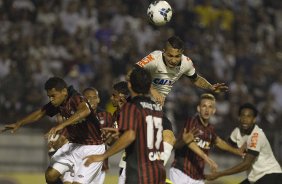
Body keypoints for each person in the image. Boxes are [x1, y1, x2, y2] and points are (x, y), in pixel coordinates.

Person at [84, 67, 181, 184]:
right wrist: (120, 133)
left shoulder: (132, 107)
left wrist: (103, 156)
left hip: (138, 169)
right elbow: (144, 132)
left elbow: (131, 135)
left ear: (130, 85)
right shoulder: (155, 108)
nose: (111, 98)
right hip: (155, 169)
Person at [2, 77, 105, 184]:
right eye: (49, 96)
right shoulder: (59, 102)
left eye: (53, 96)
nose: (51, 99)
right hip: (74, 145)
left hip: (92, 148)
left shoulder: (76, 98)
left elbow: (85, 110)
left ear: (64, 91)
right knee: (50, 176)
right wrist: (19, 123)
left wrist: (61, 125)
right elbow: (41, 112)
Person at [170, 93, 244, 184]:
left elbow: (219, 141)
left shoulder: (210, 129)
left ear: (214, 111)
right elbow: (190, 142)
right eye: (204, 106)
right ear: (198, 108)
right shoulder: (192, 121)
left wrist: (236, 151)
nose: (207, 110)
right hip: (181, 172)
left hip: (198, 177)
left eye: (210, 107)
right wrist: (207, 159)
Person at [134, 35, 228, 105]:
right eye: (170, 56)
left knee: (168, 132)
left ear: (182, 53)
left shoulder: (186, 63)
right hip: (139, 101)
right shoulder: (154, 58)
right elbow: (133, 73)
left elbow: (195, 79)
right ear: (164, 52)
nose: (173, 60)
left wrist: (210, 87)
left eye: (177, 56)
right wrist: (152, 90)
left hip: (157, 107)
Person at [205, 103, 282, 184]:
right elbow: (225, 145)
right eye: (243, 115)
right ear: (239, 118)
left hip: (271, 175)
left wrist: (220, 174)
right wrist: (206, 144)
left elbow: (246, 164)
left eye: (249, 116)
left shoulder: (256, 136)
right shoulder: (237, 132)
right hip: (255, 177)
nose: (245, 119)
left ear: (254, 119)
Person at [82, 87, 113, 184]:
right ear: (83, 100)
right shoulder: (76, 116)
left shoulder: (106, 115)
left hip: (99, 162)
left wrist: (109, 138)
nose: (92, 100)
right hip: (79, 159)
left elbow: (111, 140)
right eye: (88, 98)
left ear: (99, 99)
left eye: (94, 97)